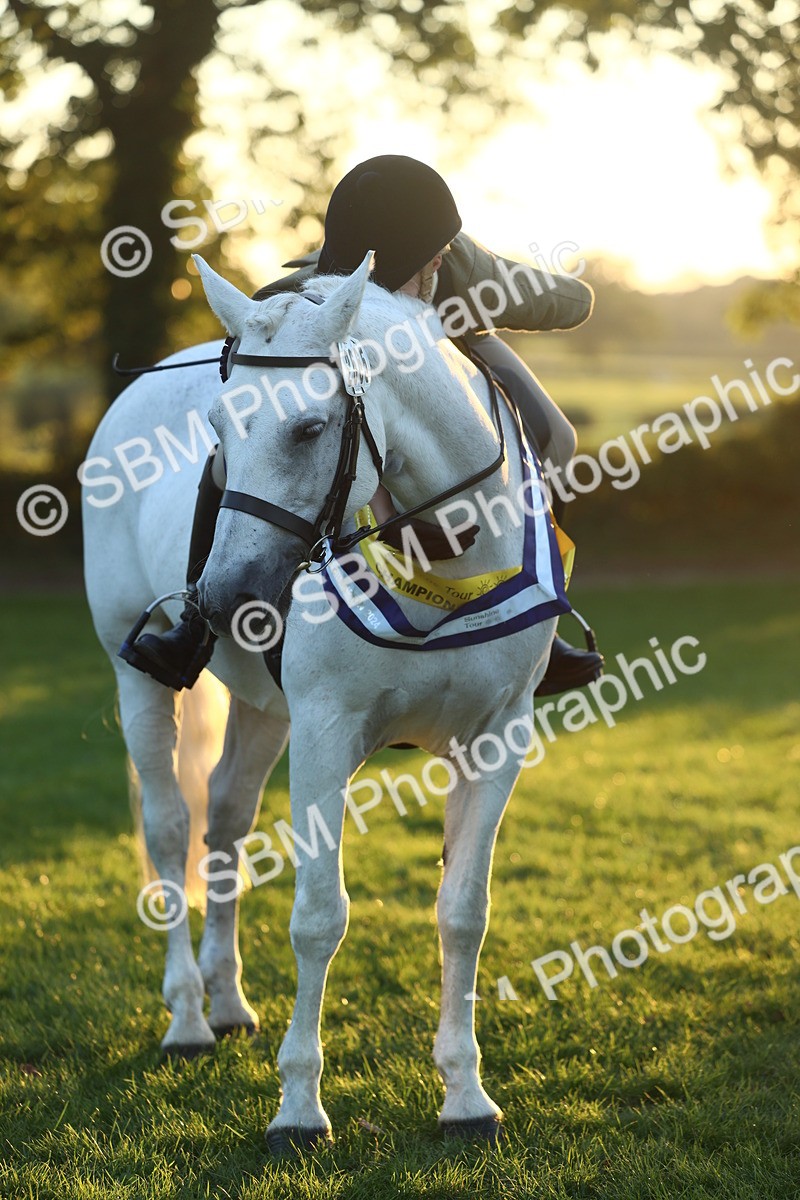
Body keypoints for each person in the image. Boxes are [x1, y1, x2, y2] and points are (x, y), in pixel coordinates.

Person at [121, 155, 603, 693]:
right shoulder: (298, 298)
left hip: (451, 343)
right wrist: (387, 514)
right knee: (224, 460)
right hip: (346, 353)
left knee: (558, 436)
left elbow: (571, 303)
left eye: (444, 258)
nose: (440, 265)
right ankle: (195, 621)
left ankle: (542, 607)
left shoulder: (462, 269)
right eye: (432, 260)